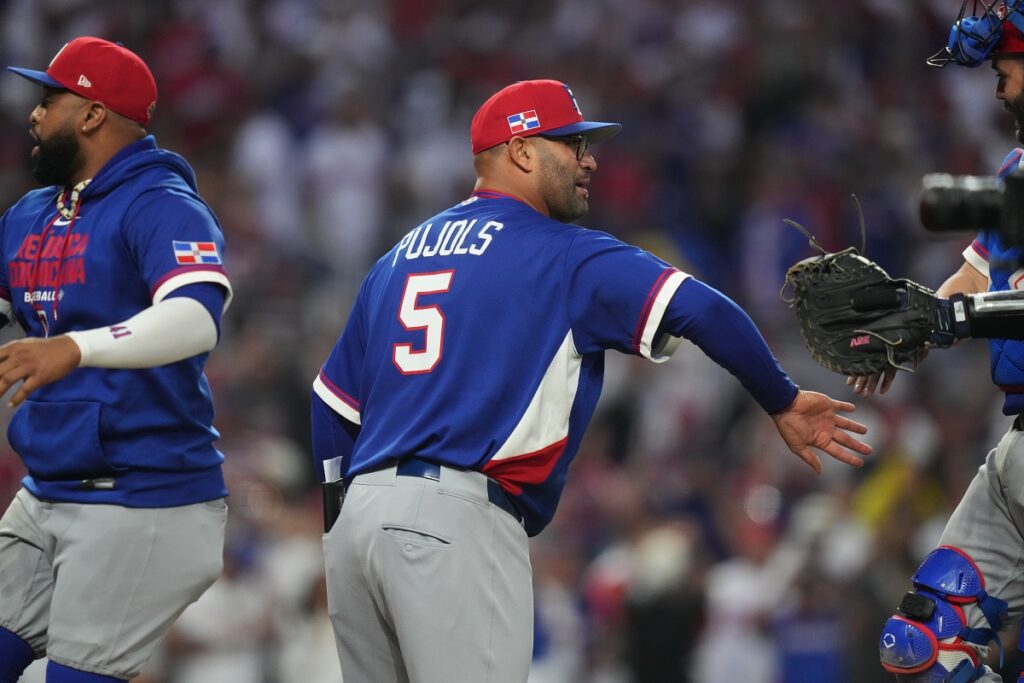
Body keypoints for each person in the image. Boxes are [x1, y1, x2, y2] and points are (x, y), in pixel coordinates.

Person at [311, 78, 872, 682]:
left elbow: (331, 404)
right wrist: (782, 398)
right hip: (457, 519)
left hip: (358, 524)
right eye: (572, 144)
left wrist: (342, 522)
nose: (590, 160)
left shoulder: (396, 258)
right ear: (522, 151)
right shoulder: (565, 252)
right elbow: (702, 308)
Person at [0, 37, 232, 682]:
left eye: (50, 100)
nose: (35, 116)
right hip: (47, 491)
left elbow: (194, 317)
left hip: (145, 496)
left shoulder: (160, 203)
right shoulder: (30, 214)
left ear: (93, 114)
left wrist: (76, 347)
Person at [870, 5, 1024, 682]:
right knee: (920, 650)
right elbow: (975, 274)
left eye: (1007, 69)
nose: (1000, 89)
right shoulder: (1019, 170)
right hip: (1016, 453)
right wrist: (905, 320)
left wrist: (956, 323)